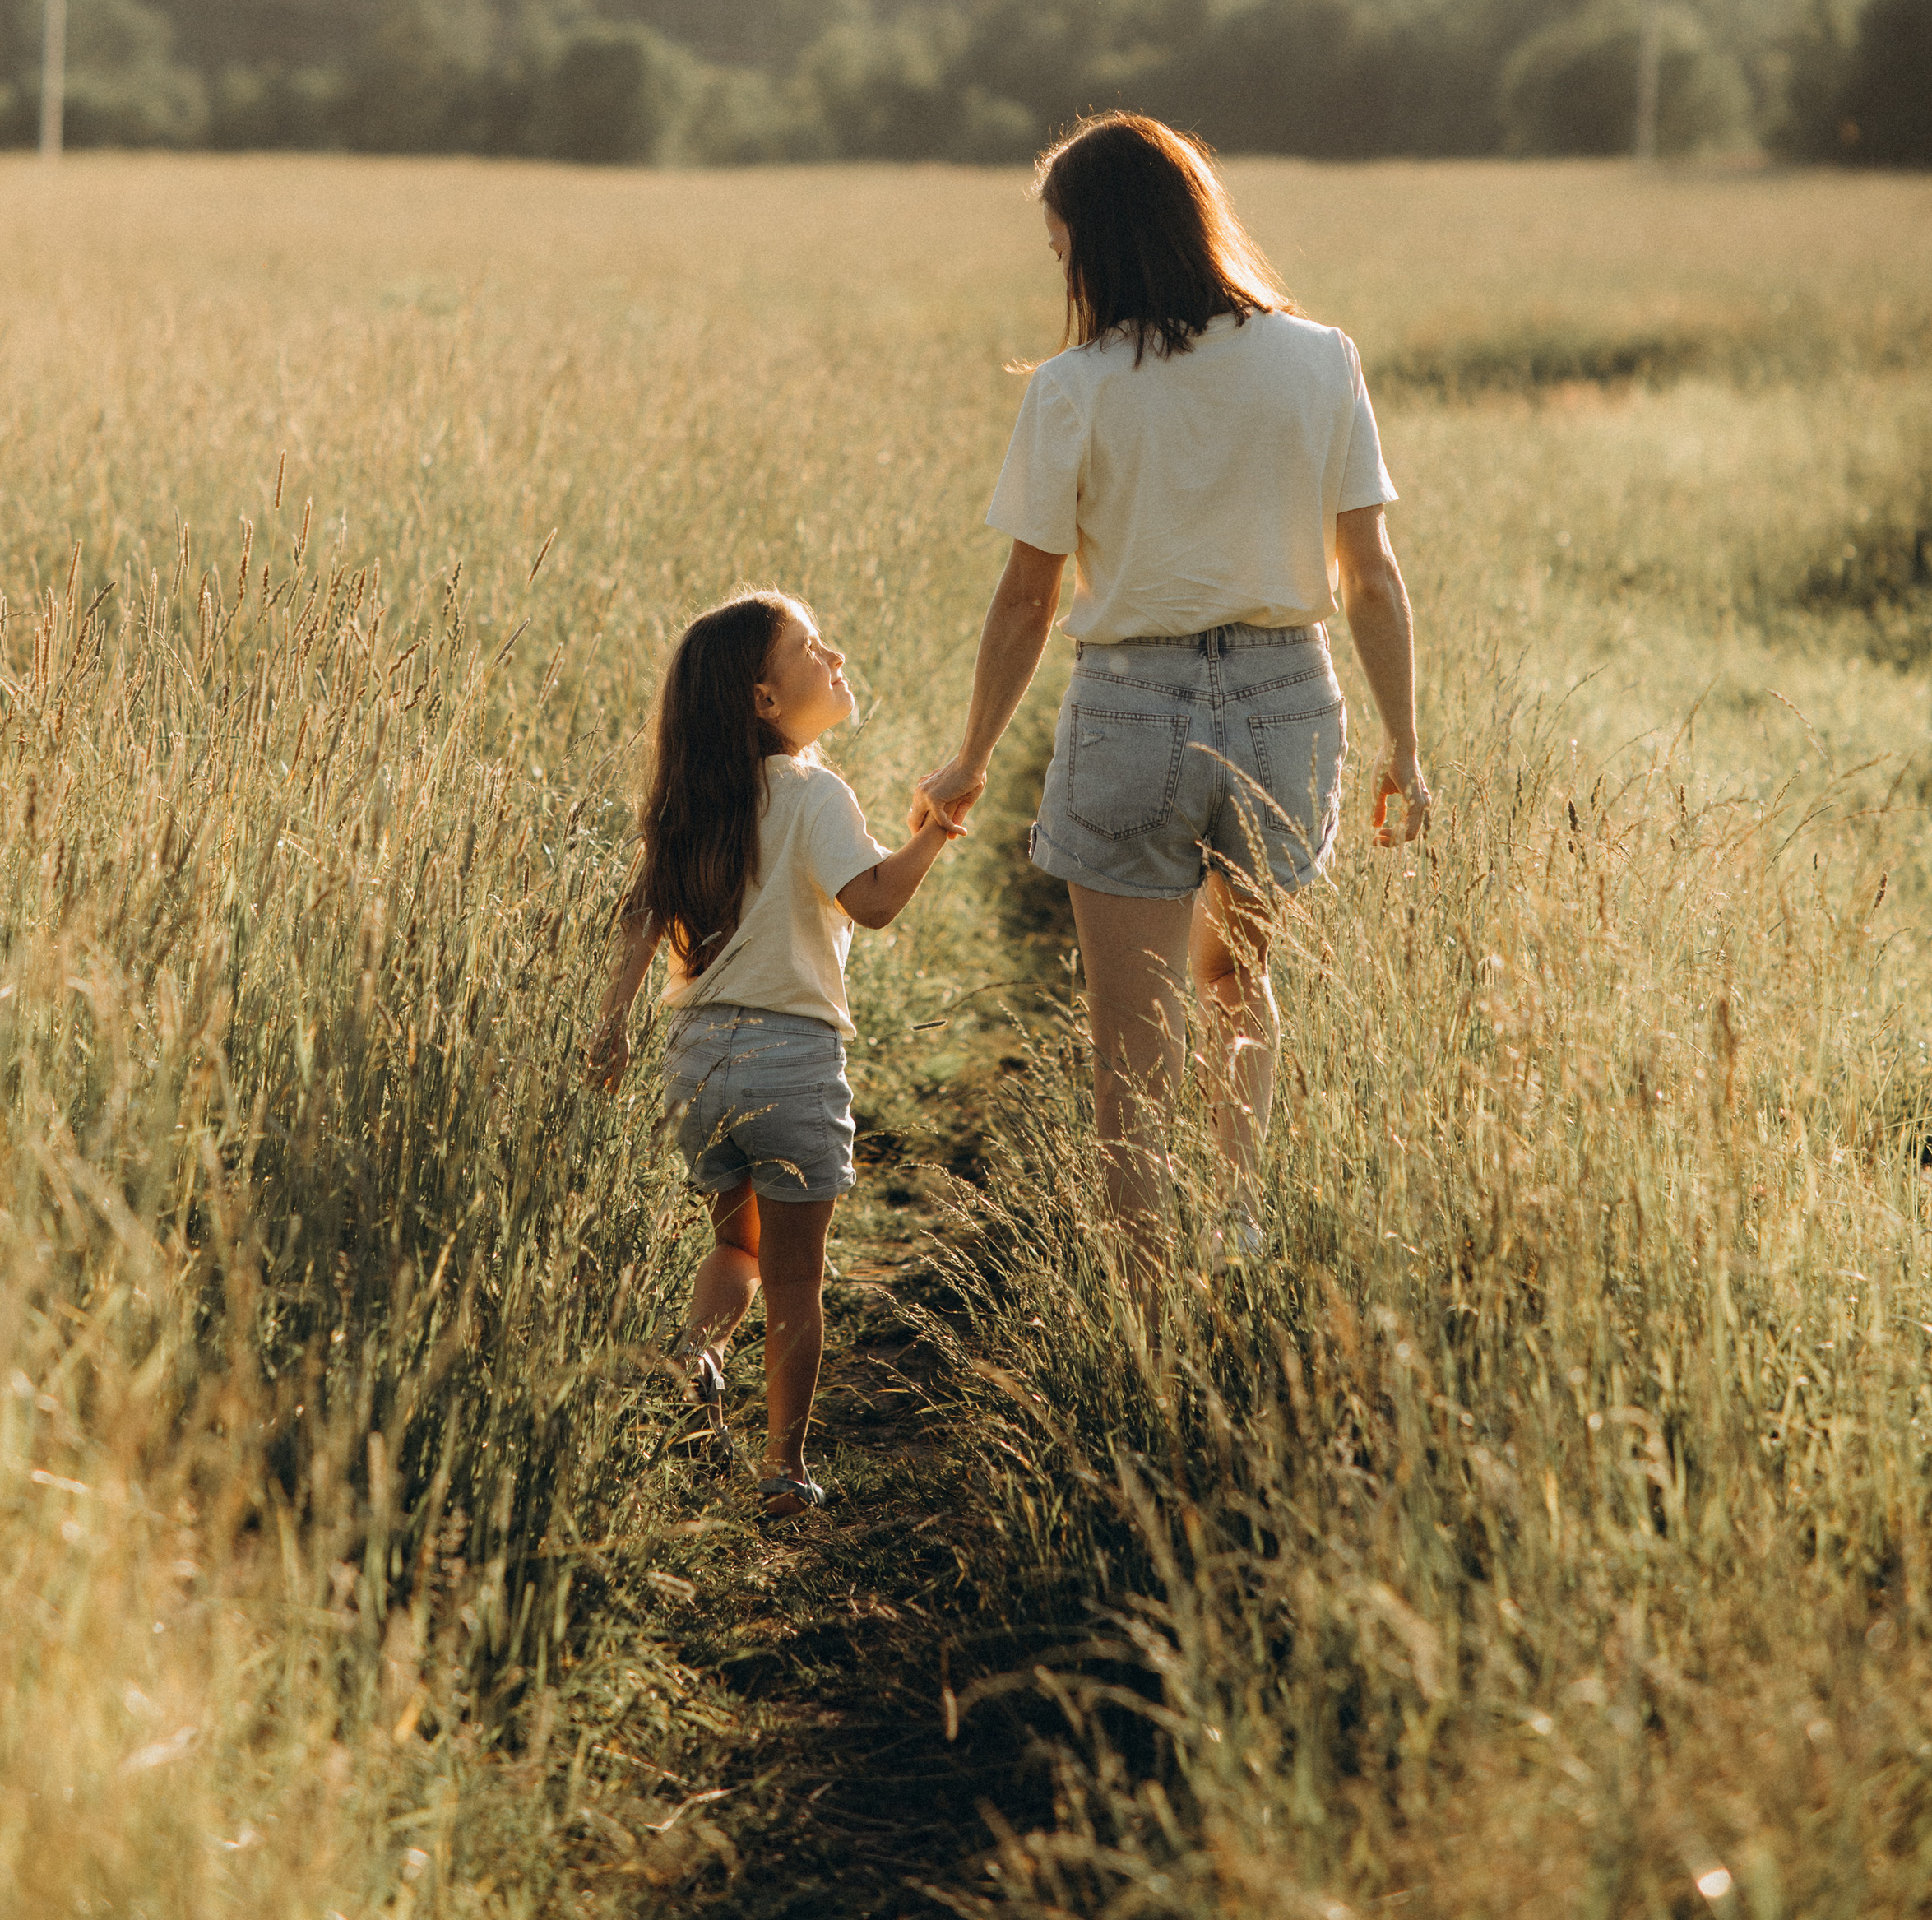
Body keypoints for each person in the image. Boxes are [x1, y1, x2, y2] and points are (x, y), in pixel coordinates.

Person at [918, 113, 1430, 1302]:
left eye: (1063, 251)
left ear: (1100, 243)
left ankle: (1147, 1302)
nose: (1064, 275)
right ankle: (1238, 1222)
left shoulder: (1074, 389)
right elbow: (1373, 575)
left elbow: (1026, 599)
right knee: (1240, 985)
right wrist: (1406, 742)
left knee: (1129, 1040)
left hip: (1133, 709)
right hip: (1286, 704)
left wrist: (969, 757)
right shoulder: (1321, 357)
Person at [587, 588, 957, 1519]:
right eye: (811, 648)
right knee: (796, 1277)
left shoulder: (688, 803)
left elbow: (639, 921)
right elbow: (871, 902)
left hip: (697, 1059)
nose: (834, 657)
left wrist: (611, 1027)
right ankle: (785, 1470)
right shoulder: (810, 790)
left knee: (736, 1243)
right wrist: (932, 836)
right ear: (763, 701)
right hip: (790, 1056)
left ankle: (700, 1350)